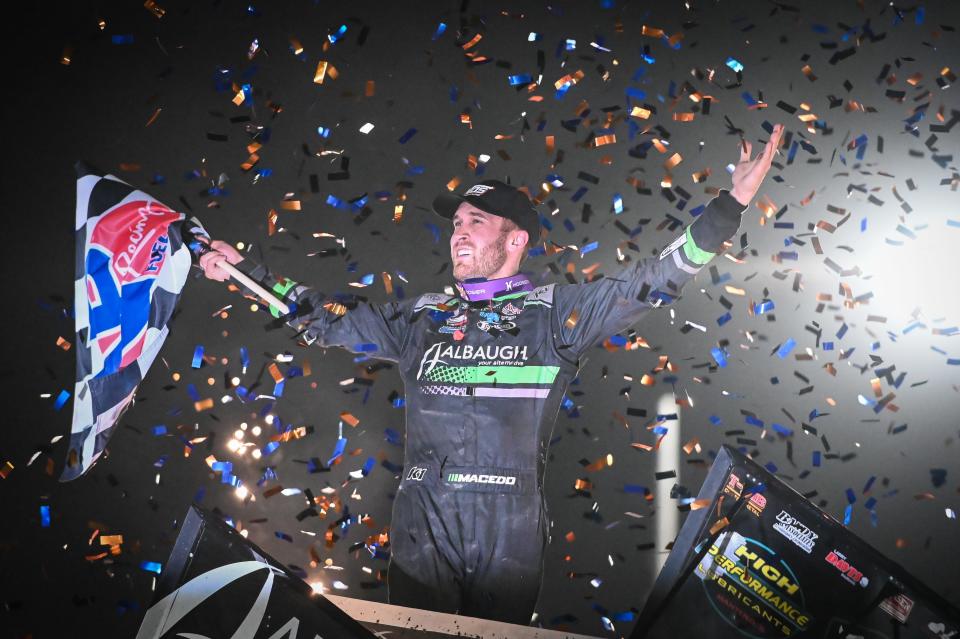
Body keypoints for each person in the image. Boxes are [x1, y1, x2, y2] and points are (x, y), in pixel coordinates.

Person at [200, 124, 785, 624]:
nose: (458, 232)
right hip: (424, 511)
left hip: (510, 521)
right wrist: (244, 270)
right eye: (456, 222)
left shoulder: (555, 313)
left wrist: (726, 209)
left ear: (515, 239)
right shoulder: (420, 318)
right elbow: (327, 318)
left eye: (474, 222)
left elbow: (651, 282)